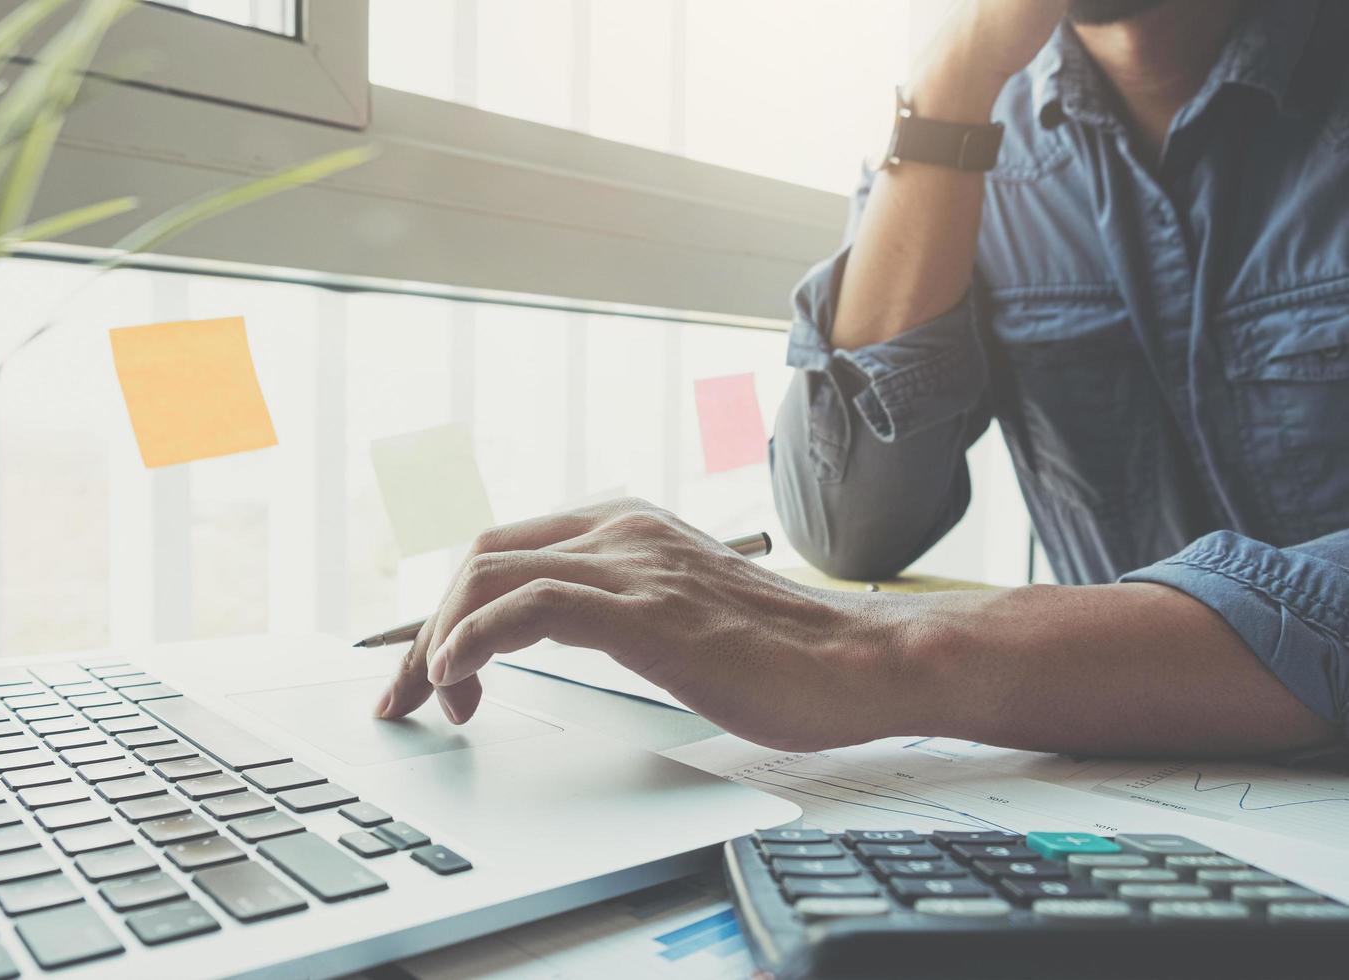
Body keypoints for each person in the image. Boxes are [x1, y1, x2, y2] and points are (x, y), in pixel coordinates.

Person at [377, 0, 1346, 758]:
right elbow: (851, 522)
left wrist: (888, 647)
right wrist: (956, 73)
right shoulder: (966, 130)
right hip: (1149, 781)